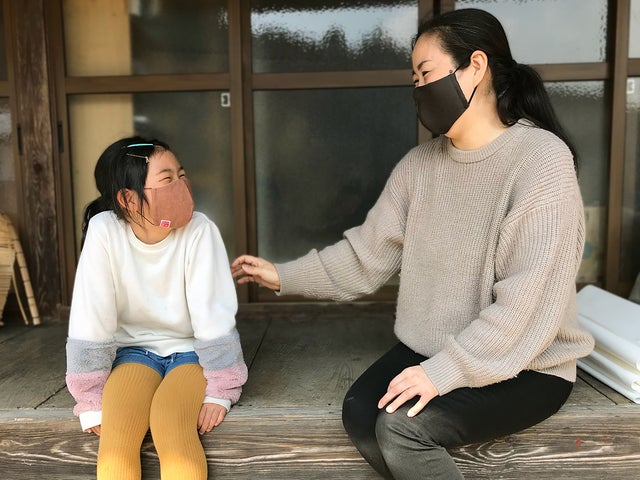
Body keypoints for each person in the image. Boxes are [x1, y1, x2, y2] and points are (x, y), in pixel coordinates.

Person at [231, 8, 594, 480]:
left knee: (402, 427)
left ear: (476, 66)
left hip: (527, 362)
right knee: (361, 413)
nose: (420, 89)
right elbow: (366, 257)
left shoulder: (540, 160)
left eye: (426, 73)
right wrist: (283, 275)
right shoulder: (419, 166)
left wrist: (442, 373)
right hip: (431, 347)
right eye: (415, 79)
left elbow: (527, 302)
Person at [66, 136, 248, 480]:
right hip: (133, 354)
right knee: (116, 442)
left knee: (171, 426)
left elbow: (213, 313)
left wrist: (221, 390)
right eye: (167, 179)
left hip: (193, 355)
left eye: (181, 175)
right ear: (128, 198)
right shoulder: (104, 230)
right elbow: (92, 314)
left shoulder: (200, 230)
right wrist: (89, 397)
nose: (180, 185)